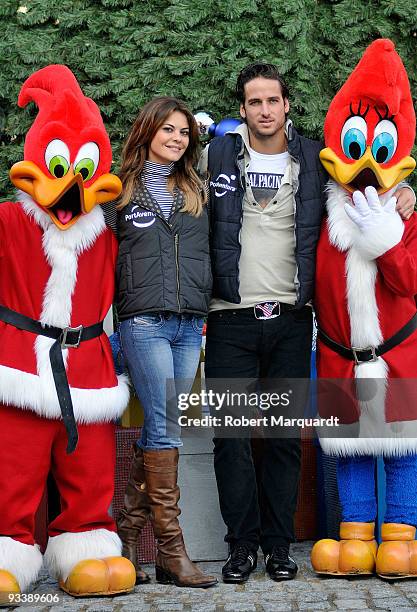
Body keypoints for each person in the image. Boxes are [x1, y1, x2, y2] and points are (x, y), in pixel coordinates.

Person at [199, 62, 415, 584]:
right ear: (242, 108)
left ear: (287, 105)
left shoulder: (312, 161)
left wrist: (412, 194)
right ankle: (240, 546)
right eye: (253, 102)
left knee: (279, 438)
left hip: (292, 320)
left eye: (272, 100)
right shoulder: (214, 155)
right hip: (229, 318)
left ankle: (277, 547)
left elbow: (364, 183)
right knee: (231, 437)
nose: (264, 110)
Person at [115, 97, 216, 588]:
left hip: (186, 326)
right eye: (168, 130)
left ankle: (130, 534)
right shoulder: (120, 191)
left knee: (162, 426)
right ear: (147, 131)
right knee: (165, 426)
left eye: (183, 133)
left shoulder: (197, 190)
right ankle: (174, 553)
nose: (177, 139)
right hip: (143, 323)